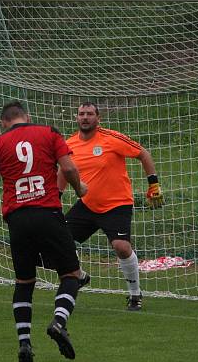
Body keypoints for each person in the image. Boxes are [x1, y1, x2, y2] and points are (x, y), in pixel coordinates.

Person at [0, 101, 88, 362]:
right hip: (48, 213)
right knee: (71, 275)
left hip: (17, 218)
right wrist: (79, 189)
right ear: (26, 117)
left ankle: (24, 343)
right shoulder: (49, 132)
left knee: (24, 282)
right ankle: (58, 323)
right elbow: (68, 168)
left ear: (3, 122)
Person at [59, 101, 163, 311]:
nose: (85, 117)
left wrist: (154, 184)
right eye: (81, 114)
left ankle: (135, 295)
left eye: (89, 114)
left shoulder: (111, 138)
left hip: (117, 204)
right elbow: (63, 171)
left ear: (98, 118)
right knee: (59, 239)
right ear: (76, 118)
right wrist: (56, 197)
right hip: (87, 204)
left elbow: (143, 153)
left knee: (121, 247)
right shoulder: (70, 144)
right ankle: (79, 276)